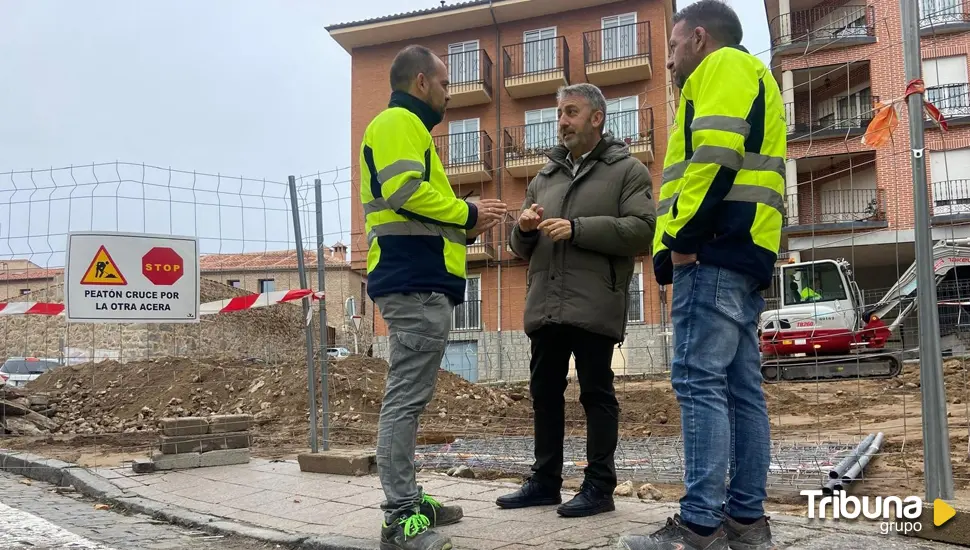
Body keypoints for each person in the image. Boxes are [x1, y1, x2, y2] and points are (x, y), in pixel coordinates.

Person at [615, 2, 785, 550]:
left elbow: (713, 157)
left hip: (711, 251)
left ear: (700, 40)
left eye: (672, 46)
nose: (667, 61)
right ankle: (744, 519)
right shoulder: (757, 75)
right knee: (741, 390)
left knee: (698, 382)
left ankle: (699, 525)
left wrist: (680, 242)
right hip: (745, 250)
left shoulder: (720, 69)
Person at [359, 44, 507, 550]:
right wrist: (466, 213)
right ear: (421, 82)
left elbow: (416, 209)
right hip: (412, 281)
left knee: (410, 398)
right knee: (404, 400)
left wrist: (464, 227)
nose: (448, 93)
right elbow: (404, 191)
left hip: (418, 279)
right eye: (444, 84)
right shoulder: (399, 123)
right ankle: (401, 519)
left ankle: (411, 503)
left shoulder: (408, 128)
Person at [497, 82, 656, 518]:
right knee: (544, 394)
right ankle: (544, 482)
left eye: (571, 112)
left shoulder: (627, 170)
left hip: (593, 303)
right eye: (560, 115)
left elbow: (643, 230)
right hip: (546, 303)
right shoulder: (544, 177)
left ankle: (599, 488)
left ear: (596, 118)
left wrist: (578, 228)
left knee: (596, 394)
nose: (562, 122)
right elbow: (518, 248)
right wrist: (524, 228)